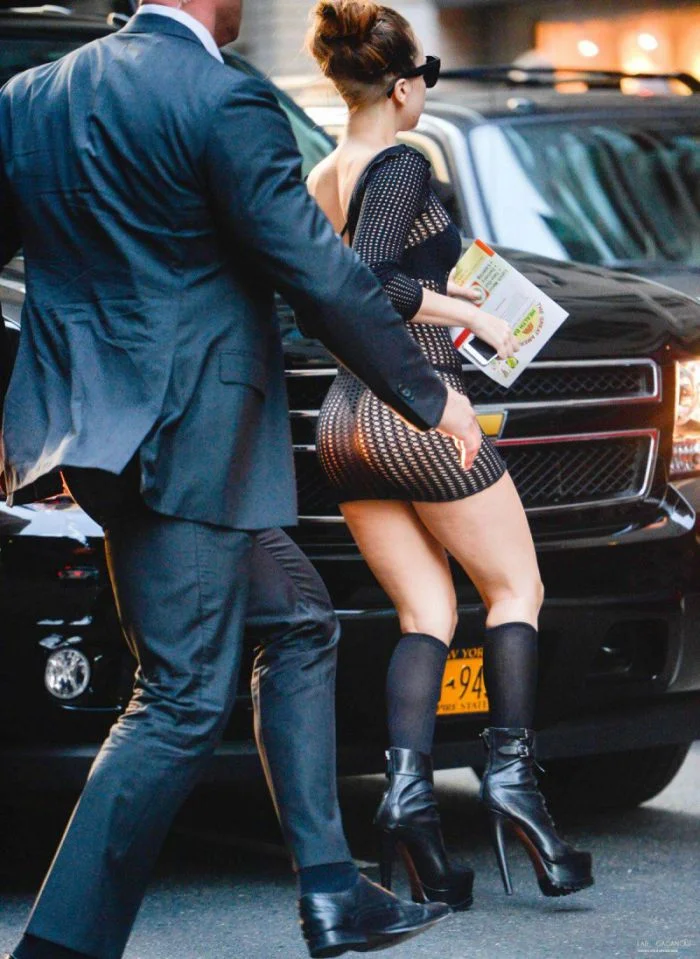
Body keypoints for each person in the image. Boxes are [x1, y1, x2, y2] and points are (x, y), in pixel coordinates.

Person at [0, 0, 497, 953]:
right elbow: (318, 271)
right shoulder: (223, 98)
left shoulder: (30, 97)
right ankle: (57, 947)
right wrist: (428, 394)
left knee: (300, 620)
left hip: (107, 439)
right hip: (189, 438)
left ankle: (333, 892)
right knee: (181, 699)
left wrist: (46, 410)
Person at [306, 0, 594, 907]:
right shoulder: (401, 162)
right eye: (422, 79)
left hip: (345, 420)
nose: (425, 95)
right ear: (400, 88)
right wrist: (470, 312)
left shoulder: (322, 175)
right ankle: (514, 782)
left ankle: (408, 809)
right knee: (516, 589)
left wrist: (466, 279)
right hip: (416, 409)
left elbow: (333, 291)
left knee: (427, 610)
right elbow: (375, 281)